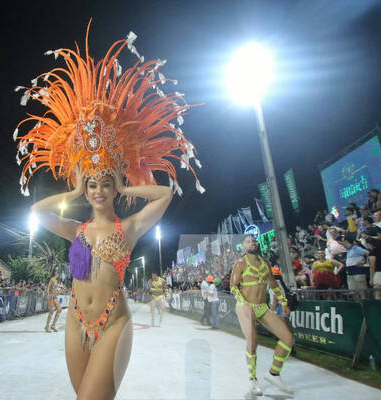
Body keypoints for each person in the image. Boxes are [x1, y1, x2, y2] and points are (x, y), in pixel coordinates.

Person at [17, 24, 203, 400]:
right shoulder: (75, 229)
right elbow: (37, 211)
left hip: (113, 323)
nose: (99, 191)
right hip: (75, 321)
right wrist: (70, 188)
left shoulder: (129, 226)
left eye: (105, 184)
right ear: (85, 189)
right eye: (92, 185)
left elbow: (164, 194)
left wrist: (124, 183)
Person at [230, 235, 295, 396]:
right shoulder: (240, 264)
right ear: (244, 247)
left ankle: (274, 374)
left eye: (254, 240)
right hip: (245, 306)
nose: (253, 242)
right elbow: (233, 286)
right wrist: (242, 302)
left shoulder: (265, 264)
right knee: (252, 341)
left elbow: (273, 285)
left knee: (288, 339)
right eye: (248, 241)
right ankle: (252, 379)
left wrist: (284, 302)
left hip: (262, 307)